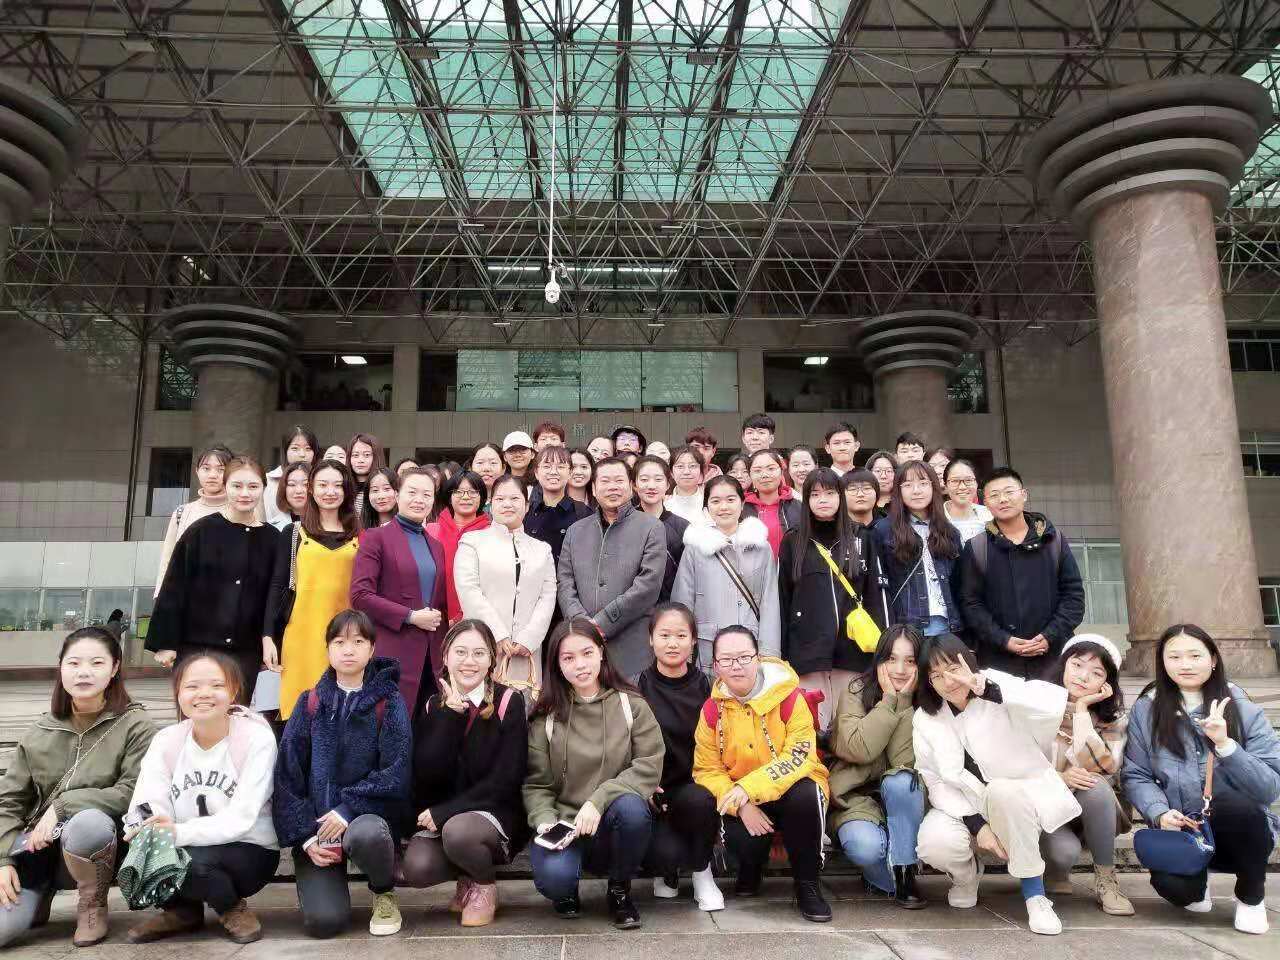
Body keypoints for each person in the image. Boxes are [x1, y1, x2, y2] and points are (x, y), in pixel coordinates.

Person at [913, 633, 1079, 936]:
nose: (948, 681)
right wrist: (977, 825)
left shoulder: (995, 684)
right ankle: (966, 878)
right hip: (964, 807)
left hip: (1020, 798)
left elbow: (1050, 706)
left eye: (953, 669)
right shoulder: (927, 717)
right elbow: (934, 780)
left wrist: (986, 688)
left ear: (968, 661)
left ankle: (1035, 897)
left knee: (1004, 792)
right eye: (936, 675)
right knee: (934, 843)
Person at [0, 628, 156, 948]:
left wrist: (63, 805)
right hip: (36, 852)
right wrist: (3, 860)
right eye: (73, 663)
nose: (84, 672)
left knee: (89, 822)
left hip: (103, 845)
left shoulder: (135, 724)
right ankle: (38, 892)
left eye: (96, 663)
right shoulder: (40, 730)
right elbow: (9, 801)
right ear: (61, 668)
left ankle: (92, 905)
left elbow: (134, 793)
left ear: (114, 668)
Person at [1123, 624, 1280, 935]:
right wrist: (1159, 812)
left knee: (1240, 807)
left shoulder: (1243, 708)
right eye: (1175, 657)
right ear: (1163, 663)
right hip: (1184, 828)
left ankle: (1251, 897)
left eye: (1195, 655)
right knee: (1175, 889)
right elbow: (1136, 774)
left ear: (1213, 660)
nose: (1185, 664)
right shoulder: (1146, 710)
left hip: (1239, 831)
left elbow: (1269, 787)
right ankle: (1197, 883)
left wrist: (1225, 745)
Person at [273, 610, 412, 938]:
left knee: (368, 834)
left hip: (366, 819)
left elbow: (395, 773)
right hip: (318, 831)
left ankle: (383, 892)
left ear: (372, 649)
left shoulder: (389, 703)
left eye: (358, 642)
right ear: (328, 649)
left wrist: (347, 810)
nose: (348, 650)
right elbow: (287, 776)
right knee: (325, 923)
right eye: (339, 642)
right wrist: (305, 836)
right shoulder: (310, 703)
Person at [125, 654, 280, 944]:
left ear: (234, 691)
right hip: (184, 841)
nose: (204, 694)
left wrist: (175, 833)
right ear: (178, 692)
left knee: (189, 862)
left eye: (217, 685)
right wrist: (148, 826)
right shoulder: (167, 740)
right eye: (192, 686)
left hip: (249, 849)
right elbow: (146, 798)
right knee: (145, 845)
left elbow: (242, 817)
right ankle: (182, 911)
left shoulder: (255, 738)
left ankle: (231, 908)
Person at [524, 619, 663, 928]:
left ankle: (619, 890)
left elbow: (648, 765)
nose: (580, 665)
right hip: (565, 825)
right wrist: (545, 819)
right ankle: (567, 887)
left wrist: (598, 800)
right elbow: (536, 784)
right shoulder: (546, 716)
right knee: (555, 880)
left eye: (587, 653)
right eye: (568, 657)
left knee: (633, 810)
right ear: (557, 664)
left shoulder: (631, 704)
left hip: (611, 821)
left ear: (601, 652)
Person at [693, 626, 832, 923]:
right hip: (742, 798)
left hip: (790, 788)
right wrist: (742, 804)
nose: (736, 666)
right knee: (743, 840)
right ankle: (750, 868)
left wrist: (748, 788)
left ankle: (808, 885)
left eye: (744, 657)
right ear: (715, 666)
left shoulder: (790, 698)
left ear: (758, 658)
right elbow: (706, 769)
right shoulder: (711, 711)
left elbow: (799, 757)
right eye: (727, 659)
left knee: (806, 795)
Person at [401, 620, 529, 927]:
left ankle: (484, 886)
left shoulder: (509, 701)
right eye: (460, 652)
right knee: (417, 867)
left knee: (459, 832)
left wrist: (447, 812)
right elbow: (426, 777)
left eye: (479, 653)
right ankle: (467, 876)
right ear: (445, 657)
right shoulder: (433, 704)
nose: (469, 661)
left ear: (491, 660)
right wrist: (450, 717)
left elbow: (506, 781)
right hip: (445, 817)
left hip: (493, 814)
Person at [148, 457, 276, 702]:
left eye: (253, 486)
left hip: (245, 650)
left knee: (237, 715)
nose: (245, 493)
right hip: (197, 646)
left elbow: (274, 596)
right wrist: (166, 642)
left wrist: (270, 641)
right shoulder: (200, 531)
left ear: (263, 488)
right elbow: (174, 586)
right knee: (197, 712)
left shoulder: (272, 538)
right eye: (237, 486)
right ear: (226, 486)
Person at [829, 625, 927, 909]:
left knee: (901, 781)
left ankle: (905, 872)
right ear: (879, 659)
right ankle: (885, 873)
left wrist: (905, 702)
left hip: (907, 803)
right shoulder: (856, 692)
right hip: (856, 799)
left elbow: (903, 764)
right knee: (865, 847)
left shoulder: (928, 699)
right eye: (892, 659)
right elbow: (860, 749)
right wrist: (889, 701)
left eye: (910, 661)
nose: (900, 670)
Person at [636, 604, 722, 911]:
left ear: (694, 640)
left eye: (681, 636)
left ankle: (702, 873)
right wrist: (643, 785)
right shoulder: (636, 687)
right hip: (653, 790)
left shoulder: (709, 687)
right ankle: (667, 871)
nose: (673, 643)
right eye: (664, 635)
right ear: (651, 639)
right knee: (664, 853)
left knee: (699, 799)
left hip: (696, 786)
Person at [779, 469, 880, 731]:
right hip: (807, 651)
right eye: (815, 494)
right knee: (813, 726)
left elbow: (874, 594)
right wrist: (785, 652)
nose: (822, 499)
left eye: (830, 493)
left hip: (854, 650)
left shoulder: (861, 537)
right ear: (806, 500)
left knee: (851, 727)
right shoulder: (793, 540)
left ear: (840, 497)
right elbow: (784, 599)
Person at [959, 467, 1085, 675]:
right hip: (998, 660)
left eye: (1009, 492)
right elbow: (970, 603)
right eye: (994, 495)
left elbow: (1073, 596)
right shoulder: (977, 547)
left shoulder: (1053, 541)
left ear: (1024, 495)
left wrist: (1049, 636)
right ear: (985, 502)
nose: (1003, 499)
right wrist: (1004, 639)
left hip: (1052, 658)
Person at [1044, 635, 1134, 916]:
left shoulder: (1113, 720)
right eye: (1077, 665)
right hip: (1043, 807)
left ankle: (1106, 880)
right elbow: (1016, 763)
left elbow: (1103, 766)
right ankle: (1053, 870)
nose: (1083, 677)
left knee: (1094, 784)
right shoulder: (1035, 706)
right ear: (1063, 665)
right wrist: (1060, 778)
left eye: (1096, 673)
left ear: (1107, 683)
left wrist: (1082, 710)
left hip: (1088, 814)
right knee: (1064, 853)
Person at [265, 459, 361, 719]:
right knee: (301, 710)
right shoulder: (294, 532)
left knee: (343, 712)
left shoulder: (359, 535)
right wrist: (268, 636)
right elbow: (277, 585)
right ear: (311, 489)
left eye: (337, 485)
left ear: (346, 491)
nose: (330, 492)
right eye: (323, 485)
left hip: (347, 636)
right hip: (302, 634)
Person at [558, 457, 666, 678]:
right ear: (594, 488)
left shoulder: (651, 527)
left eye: (619, 480)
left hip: (632, 644)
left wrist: (602, 624)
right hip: (582, 643)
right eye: (605, 481)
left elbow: (648, 585)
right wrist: (582, 624)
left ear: (631, 486)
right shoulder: (576, 531)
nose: (612, 487)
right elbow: (565, 582)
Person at [351, 469, 448, 713]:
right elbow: (360, 595)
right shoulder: (376, 537)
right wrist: (410, 616)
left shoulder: (436, 546)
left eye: (426, 494)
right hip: (392, 652)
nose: (419, 500)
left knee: (425, 727)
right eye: (412, 492)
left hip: (431, 658)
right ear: (397, 495)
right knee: (387, 724)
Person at [455, 475, 557, 695]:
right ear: (491, 504)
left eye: (515, 498)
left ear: (526, 505)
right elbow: (469, 591)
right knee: (479, 704)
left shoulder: (542, 550)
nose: (507, 504)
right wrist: (498, 633)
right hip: (482, 641)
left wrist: (529, 638)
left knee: (521, 707)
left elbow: (547, 596)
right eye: (500, 499)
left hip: (525, 649)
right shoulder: (472, 542)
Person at [672, 476, 780, 669]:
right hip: (708, 646)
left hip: (750, 646)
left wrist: (769, 654)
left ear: (742, 503)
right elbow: (683, 602)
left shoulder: (760, 546)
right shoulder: (695, 547)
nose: (724, 507)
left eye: (731, 499)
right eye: (715, 501)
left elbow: (770, 602)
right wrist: (683, 653)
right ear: (706, 508)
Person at [872, 460, 963, 639]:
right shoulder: (883, 531)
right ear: (898, 491)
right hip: (906, 629)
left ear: (933, 487)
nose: (916, 490)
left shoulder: (950, 532)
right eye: (908, 485)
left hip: (949, 627)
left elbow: (960, 584)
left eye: (923, 483)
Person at [154, 445, 232, 596]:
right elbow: (168, 559)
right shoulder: (182, 513)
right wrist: (160, 595)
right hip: (186, 596)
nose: (212, 475)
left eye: (221, 469)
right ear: (197, 471)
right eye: (206, 468)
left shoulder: (241, 511)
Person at [426, 470, 492, 623]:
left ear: (482, 497)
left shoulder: (490, 533)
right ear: (449, 497)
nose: (466, 497)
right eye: (458, 492)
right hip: (434, 619)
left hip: (477, 620)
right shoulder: (431, 531)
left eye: (473, 492)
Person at [633, 455, 690, 602]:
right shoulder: (624, 524)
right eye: (644, 479)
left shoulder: (682, 527)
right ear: (634, 484)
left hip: (672, 606)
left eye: (658, 479)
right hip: (632, 607)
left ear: (667, 484)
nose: (651, 486)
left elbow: (687, 577)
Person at [525, 447, 593, 566]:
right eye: (547, 466)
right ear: (536, 473)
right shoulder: (525, 512)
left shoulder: (584, 514)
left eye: (560, 467)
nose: (553, 472)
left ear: (570, 472)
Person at [745, 449, 800, 557]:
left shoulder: (799, 507)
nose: (764, 475)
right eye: (757, 470)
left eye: (771, 469)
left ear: (781, 472)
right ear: (750, 475)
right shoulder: (740, 509)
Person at [264, 426, 317, 526]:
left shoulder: (320, 480)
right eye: (295, 448)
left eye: (308, 449)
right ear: (285, 451)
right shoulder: (267, 480)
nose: (302, 454)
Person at [941, 459, 991, 544]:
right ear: (945, 485)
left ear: (977, 483)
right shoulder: (935, 519)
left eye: (968, 480)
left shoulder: (990, 515)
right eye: (955, 481)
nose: (962, 487)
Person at [346, 433, 386, 517]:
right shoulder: (343, 486)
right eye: (355, 455)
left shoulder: (386, 487)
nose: (360, 460)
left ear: (376, 457)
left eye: (367, 455)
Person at [665, 445, 706, 523]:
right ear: (671, 473)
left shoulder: (709, 504)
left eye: (692, 466)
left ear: (701, 472)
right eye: (680, 466)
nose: (686, 472)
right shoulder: (663, 505)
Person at [270, 461, 311, 531]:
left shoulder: (328, 525)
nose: (299, 491)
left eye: (305, 484)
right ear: (283, 489)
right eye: (292, 484)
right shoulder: (271, 528)